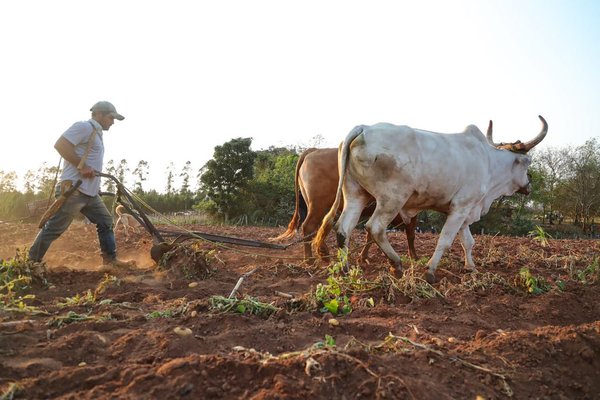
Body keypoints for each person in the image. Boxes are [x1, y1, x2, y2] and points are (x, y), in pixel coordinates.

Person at [29, 101, 135, 271]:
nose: (113, 122)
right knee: (56, 227)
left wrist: (95, 186)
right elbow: (60, 144)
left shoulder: (96, 133)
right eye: (110, 117)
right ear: (99, 114)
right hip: (74, 190)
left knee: (106, 221)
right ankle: (30, 262)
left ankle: (110, 261)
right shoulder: (84, 127)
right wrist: (82, 166)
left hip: (89, 193)